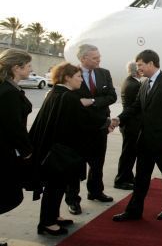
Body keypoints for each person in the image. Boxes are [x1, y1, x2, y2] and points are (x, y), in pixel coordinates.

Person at [29, 62, 110, 236]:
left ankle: (54, 216)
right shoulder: (68, 97)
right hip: (60, 153)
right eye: (78, 77)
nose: (81, 80)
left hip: (54, 150)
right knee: (55, 187)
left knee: (57, 187)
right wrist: (106, 123)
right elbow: (82, 123)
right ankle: (47, 223)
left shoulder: (55, 93)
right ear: (67, 77)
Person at [111, 49, 162, 221]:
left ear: (151, 63)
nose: (139, 68)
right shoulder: (144, 83)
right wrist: (118, 119)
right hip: (144, 140)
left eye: (141, 65)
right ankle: (134, 211)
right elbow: (136, 106)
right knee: (142, 177)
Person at [65, 44, 117, 215]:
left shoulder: (104, 73)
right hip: (79, 128)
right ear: (83, 59)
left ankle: (95, 192)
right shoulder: (72, 73)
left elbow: (112, 96)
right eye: (95, 58)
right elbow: (71, 99)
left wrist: (93, 102)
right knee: (75, 165)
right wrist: (87, 103)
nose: (99, 60)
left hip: (100, 126)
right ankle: (73, 200)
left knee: (97, 162)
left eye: (99, 56)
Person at [0, 49, 34, 246]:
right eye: (28, 65)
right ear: (16, 67)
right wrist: (26, 150)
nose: (31, 69)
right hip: (4, 153)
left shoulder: (8, 88)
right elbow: (14, 127)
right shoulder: (8, 93)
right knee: (6, 195)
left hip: (6, 150)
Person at [114, 62, 141, 190]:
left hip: (129, 123)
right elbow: (136, 107)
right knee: (128, 154)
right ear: (137, 71)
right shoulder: (135, 85)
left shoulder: (129, 81)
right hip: (131, 124)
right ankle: (120, 180)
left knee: (130, 153)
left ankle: (128, 177)